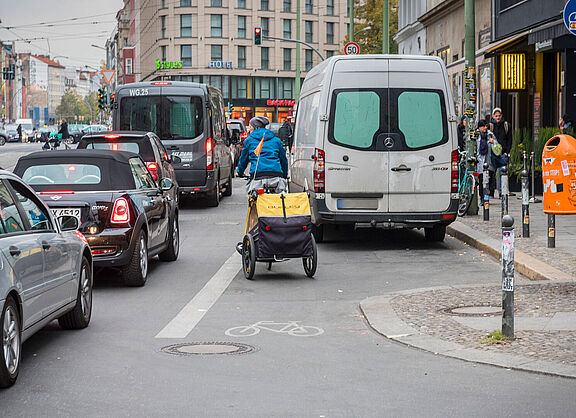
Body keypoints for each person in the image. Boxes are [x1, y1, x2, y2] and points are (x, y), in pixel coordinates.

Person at [236, 116, 289, 193]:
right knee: (279, 197)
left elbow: (243, 160)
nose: (249, 129)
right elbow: (283, 160)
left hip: (257, 177)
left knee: (254, 196)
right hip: (276, 177)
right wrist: (284, 175)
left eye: (250, 127)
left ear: (255, 127)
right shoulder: (276, 141)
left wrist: (240, 172)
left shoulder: (249, 141)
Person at [489, 107, 512, 196]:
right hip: (492, 153)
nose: (498, 117)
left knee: (503, 173)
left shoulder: (506, 126)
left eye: (499, 115)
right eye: (496, 116)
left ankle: (502, 193)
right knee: (491, 173)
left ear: (501, 116)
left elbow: (509, 139)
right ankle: (491, 192)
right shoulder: (490, 126)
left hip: (503, 153)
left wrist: (507, 151)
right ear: (493, 116)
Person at [476, 120, 497, 198]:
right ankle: (482, 197)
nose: (485, 128)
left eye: (486, 126)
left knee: (489, 179)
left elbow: (497, 146)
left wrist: (493, 142)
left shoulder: (490, 134)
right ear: (479, 127)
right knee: (481, 180)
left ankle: (488, 196)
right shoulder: (476, 135)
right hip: (480, 161)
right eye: (483, 126)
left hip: (489, 161)